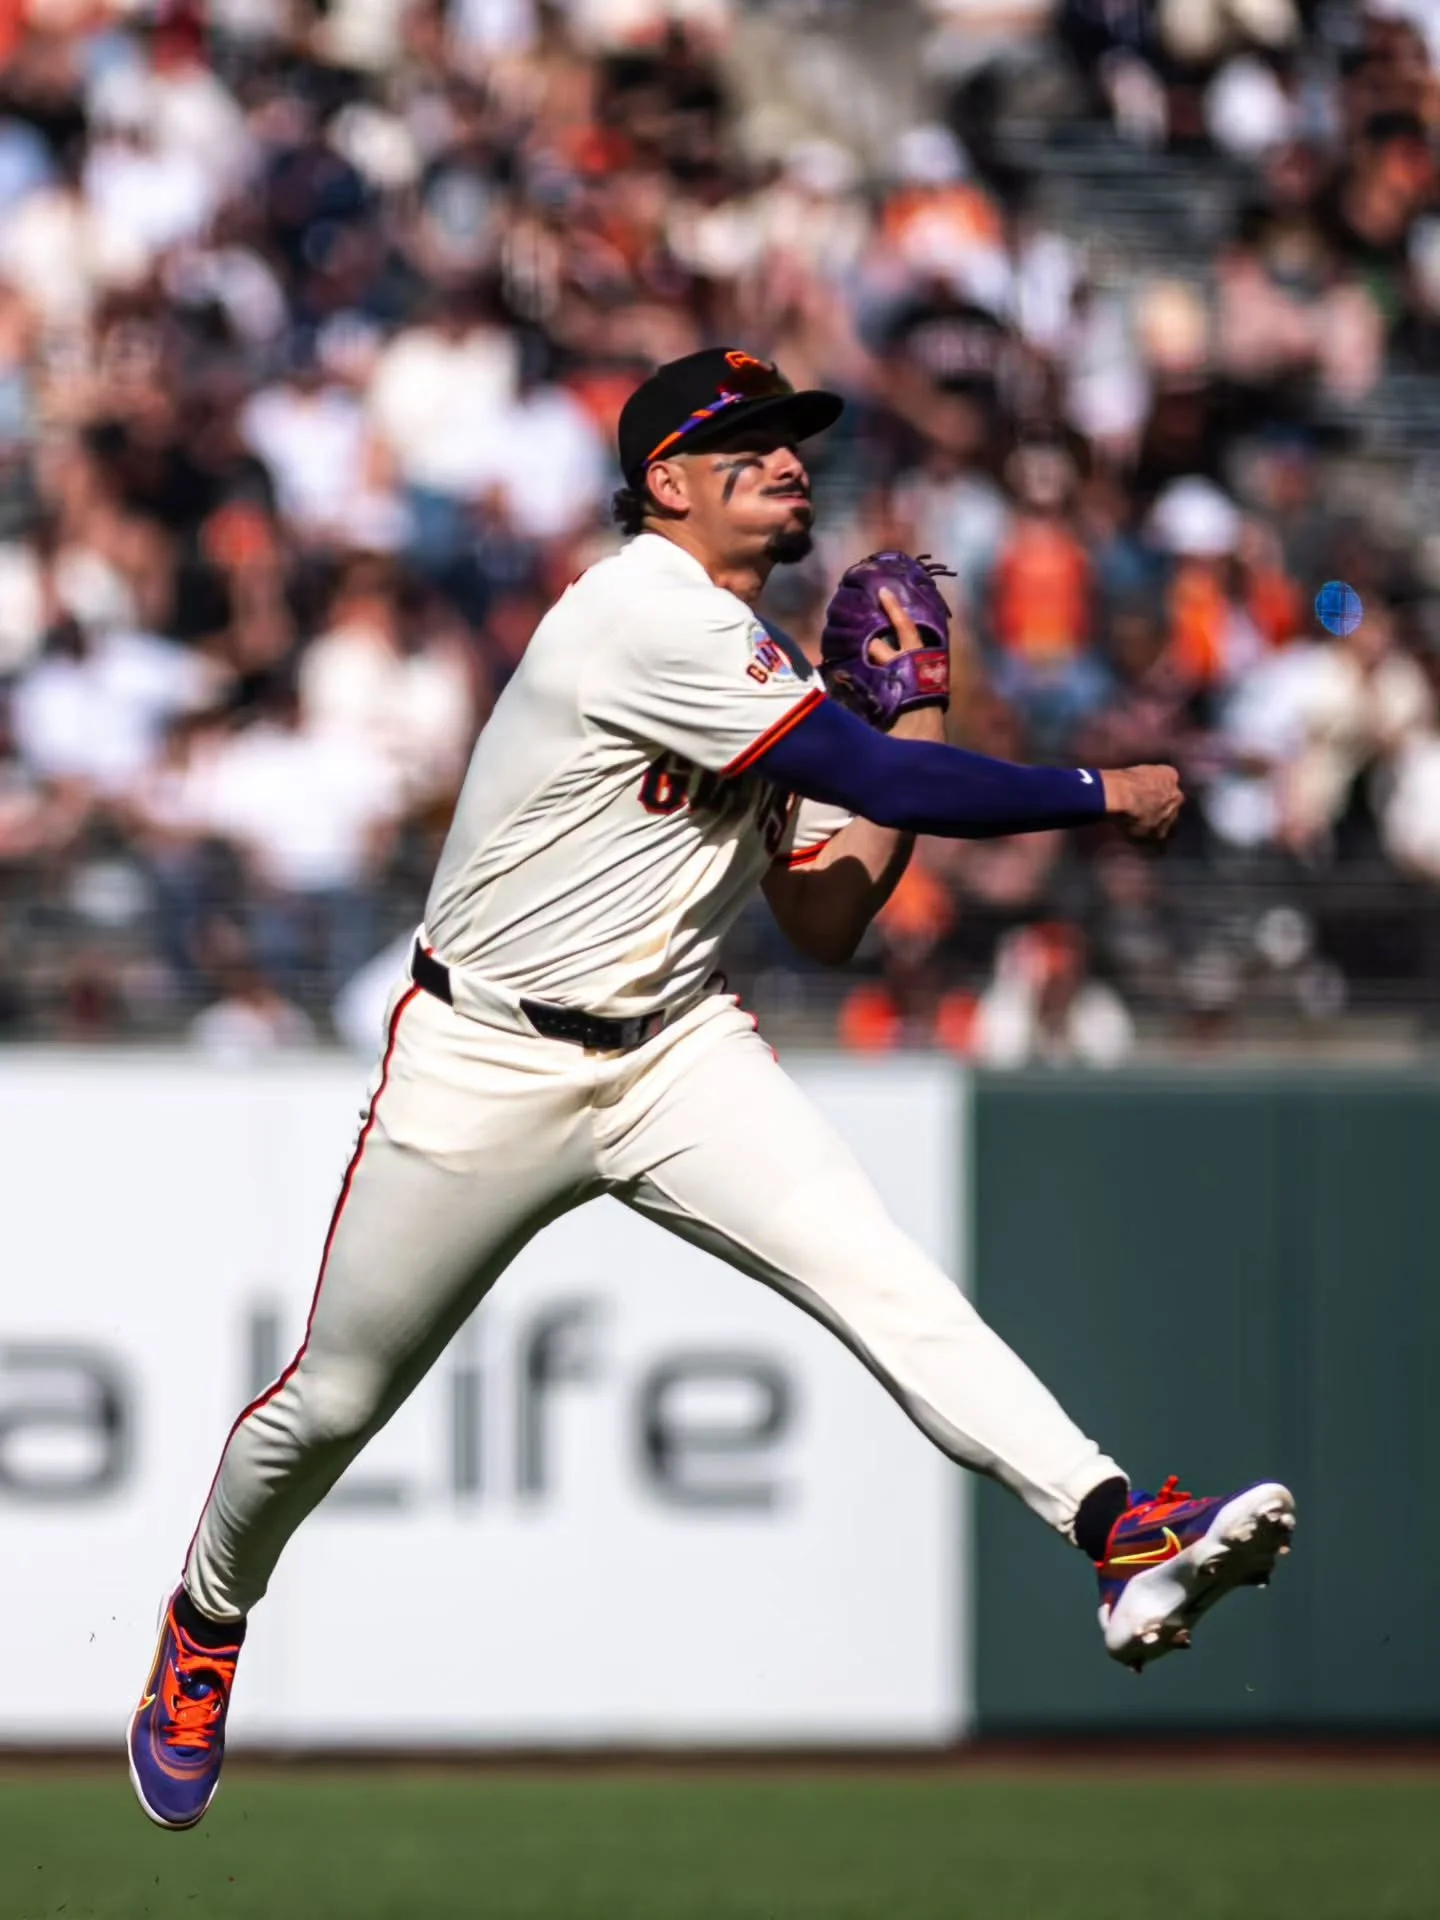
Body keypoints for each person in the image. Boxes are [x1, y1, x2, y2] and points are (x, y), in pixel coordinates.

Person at [128, 347, 1295, 1830]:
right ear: (665, 485)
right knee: (329, 1408)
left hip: (673, 1046)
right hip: (486, 1054)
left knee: (880, 1275)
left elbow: (825, 913)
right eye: (746, 445)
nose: (788, 462)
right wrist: (1088, 789)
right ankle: (207, 1624)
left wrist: (910, 720)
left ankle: (1117, 1523)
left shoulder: (771, 679)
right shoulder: (640, 612)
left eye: (795, 441)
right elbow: (882, 790)